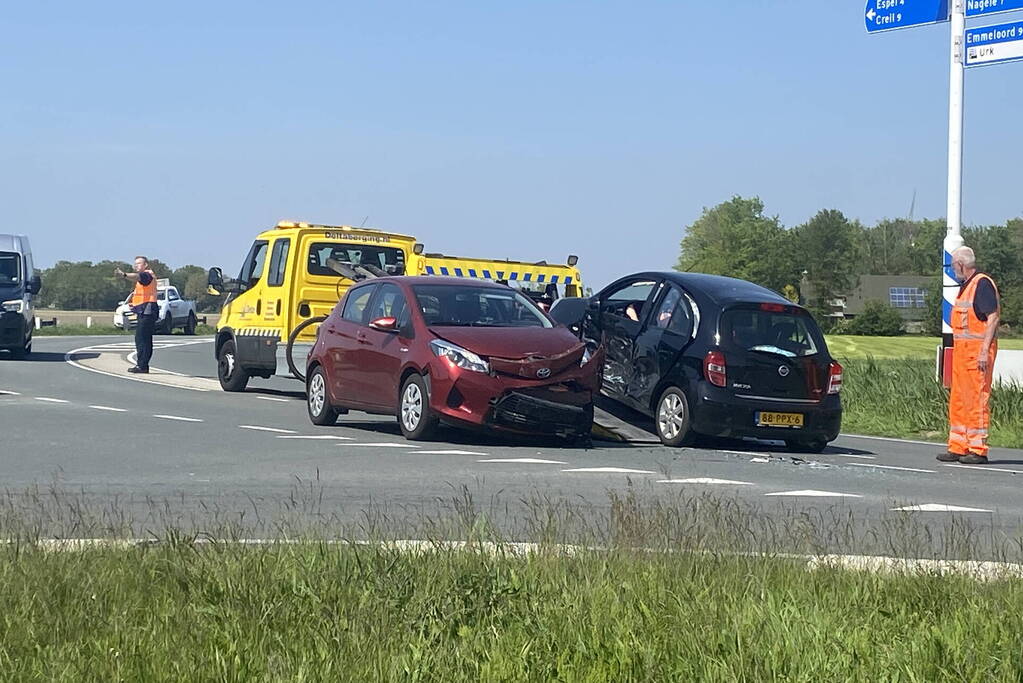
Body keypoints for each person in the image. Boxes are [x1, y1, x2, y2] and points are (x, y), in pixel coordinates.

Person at [938, 246, 1000, 464]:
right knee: (959, 400)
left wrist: (984, 350)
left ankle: (978, 449)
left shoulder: (981, 284)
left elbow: (992, 318)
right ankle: (958, 446)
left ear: (960, 264)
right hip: (963, 355)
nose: (953, 270)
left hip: (976, 355)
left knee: (976, 401)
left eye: (954, 266)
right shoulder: (967, 286)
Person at [115, 256, 158, 374]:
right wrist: (134, 305)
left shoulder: (147, 275)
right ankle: (143, 365)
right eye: (135, 264)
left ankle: (142, 365)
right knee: (143, 338)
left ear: (146, 265)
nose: (136, 266)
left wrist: (124, 275)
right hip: (144, 310)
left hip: (147, 311)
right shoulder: (145, 278)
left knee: (141, 338)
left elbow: (137, 277)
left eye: (139, 263)